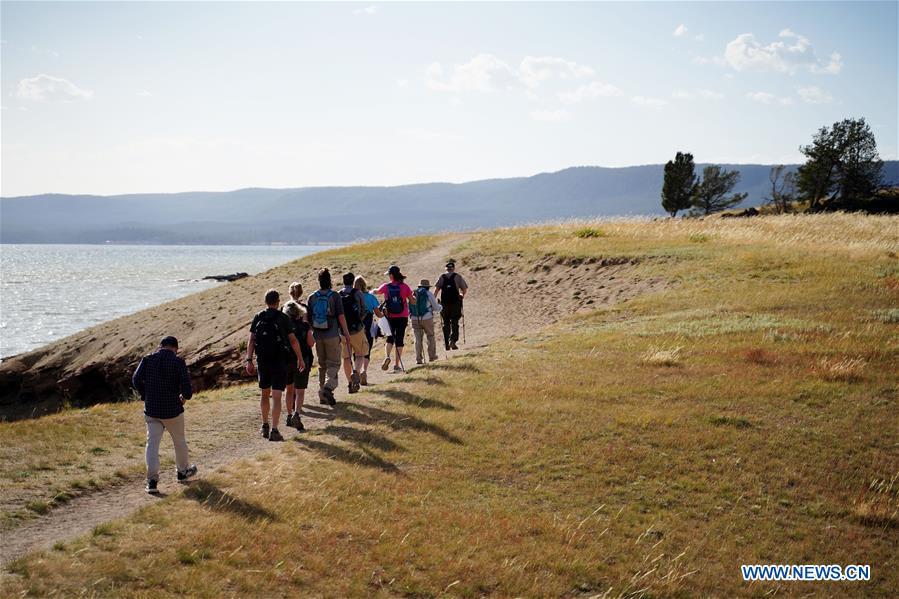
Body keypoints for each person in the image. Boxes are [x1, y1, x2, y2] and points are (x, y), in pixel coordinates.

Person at [132, 335, 198, 494]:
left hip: (152, 409)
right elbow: (188, 391)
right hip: (172, 410)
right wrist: (183, 397)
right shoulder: (178, 362)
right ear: (175, 348)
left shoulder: (147, 360)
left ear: (160, 346)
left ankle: (152, 481)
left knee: (152, 445)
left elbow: (135, 380)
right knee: (179, 442)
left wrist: (145, 395)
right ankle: (182, 472)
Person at [246, 289, 305, 441]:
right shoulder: (283, 318)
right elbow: (293, 340)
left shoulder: (258, 316)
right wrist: (300, 358)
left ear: (265, 301)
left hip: (262, 361)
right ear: (278, 302)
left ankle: (264, 425)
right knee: (277, 396)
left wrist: (249, 360)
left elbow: (251, 340)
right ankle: (274, 430)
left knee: (264, 394)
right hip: (279, 361)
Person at [307, 269, 353, 405]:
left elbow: (308, 319)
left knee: (322, 365)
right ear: (330, 280)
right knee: (334, 363)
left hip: (317, 336)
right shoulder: (334, 296)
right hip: (332, 334)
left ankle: (322, 395)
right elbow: (341, 316)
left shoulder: (312, 297)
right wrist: (346, 333)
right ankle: (328, 387)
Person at [376, 265, 416, 373]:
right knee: (399, 339)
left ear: (391, 275)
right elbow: (413, 302)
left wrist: (371, 291)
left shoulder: (386, 286)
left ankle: (387, 356)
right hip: (402, 316)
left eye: (389, 274)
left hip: (390, 316)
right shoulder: (405, 286)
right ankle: (396, 365)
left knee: (390, 338)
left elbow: (377, 292)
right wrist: (413, 297)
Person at [283, 300, 314, 431]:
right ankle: (297, 414)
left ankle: (289, 415)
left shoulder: (284, 327)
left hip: (287, 360)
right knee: (300, 391)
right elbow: (311, 343)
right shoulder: (305, 326)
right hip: (303, 359)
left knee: (289, 390)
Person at [339, 272, 370, 394]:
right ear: (353, 282)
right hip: (357, 329)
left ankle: (350, 384)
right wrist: (360, 320)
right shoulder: (358, 293)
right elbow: (364, 309)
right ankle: (356, 372)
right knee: (360, 353)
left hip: (343, 330)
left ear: (343, 281)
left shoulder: (338, 294)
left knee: (346, 357)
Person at [435, 260, 468, 350]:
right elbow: (464, 289)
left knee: (445, 323)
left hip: (444, 304)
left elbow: (436, 290)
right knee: (455, 322)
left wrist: (434, 301)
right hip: (455, 303)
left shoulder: (442, 277)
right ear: (453, 268)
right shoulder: (457, 276)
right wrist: (462, 295)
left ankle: (446, 343)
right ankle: (452, 341)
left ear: (446, 269)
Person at [355, 275, 381, 385]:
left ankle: (357, 371)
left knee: (356, 352)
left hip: (355, 328)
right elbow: (378, 314)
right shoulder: (371, 297)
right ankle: (364, 372)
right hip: (368, 327)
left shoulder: (353, 297)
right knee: (367, 351)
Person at [409, 279, 442, 364]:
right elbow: (436, 308)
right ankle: (432, 356)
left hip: (414, 318)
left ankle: (418, 359)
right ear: (427, 287)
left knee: (417, 339)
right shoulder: (428, 294)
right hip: (427, 318)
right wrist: (440, 306)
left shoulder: (413, 293)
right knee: (430, 336)